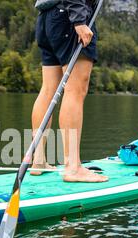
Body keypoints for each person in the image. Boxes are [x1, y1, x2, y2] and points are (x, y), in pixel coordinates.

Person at [31, 0, 108, 183]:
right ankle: (72, 167)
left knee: (48, 89)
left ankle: (39, 160)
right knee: (74, 90)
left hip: (48, 17)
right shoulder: (76, 18)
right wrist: (79, 21)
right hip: (70, 17)